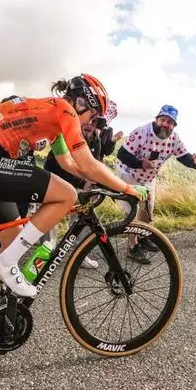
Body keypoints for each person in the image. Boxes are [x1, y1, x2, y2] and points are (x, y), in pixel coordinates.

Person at [0, 73, 146, 298]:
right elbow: (88, 164)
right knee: (67, 195)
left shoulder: (52, 116)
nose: (91, 124)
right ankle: (4, 265)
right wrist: (127, 188)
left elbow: (69, 164)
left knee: (13, 237)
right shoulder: (65, 110)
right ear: (81, 103)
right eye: (93, 117)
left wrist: (102, 182)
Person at [117, 105, 196, 261]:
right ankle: (132, 247)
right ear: (156, 120)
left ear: (174, 125)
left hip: (148, 178)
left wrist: (195, 162)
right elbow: (121, 154)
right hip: (129, 174)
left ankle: (143, 237)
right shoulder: (141, 133)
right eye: (162, 120)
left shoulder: (174, 139)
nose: (165, 124)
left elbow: (184, 157)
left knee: (147, 210)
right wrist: (141, 163)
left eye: (169, 122)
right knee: (133, 212)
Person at [43, 99, 122, 268]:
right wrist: (82, 181)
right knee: (49, 219)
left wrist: (96, 184)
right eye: (90, 120)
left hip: (80, 185)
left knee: (83, 218)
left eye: (96, 123)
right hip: (57, 179)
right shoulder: (68, 132)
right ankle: (45, 254)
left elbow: (96, 162)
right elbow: (56, 164)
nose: (91, 125)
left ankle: (79, 254)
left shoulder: (96, 139)